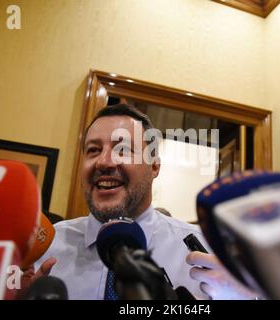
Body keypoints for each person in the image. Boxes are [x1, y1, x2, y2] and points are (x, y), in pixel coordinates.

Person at [24, 104, 257, 300]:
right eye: (93, 150)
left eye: (123, 149)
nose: (104, 162)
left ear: (154, 166)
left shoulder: (211, 253)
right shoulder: (43, 250)